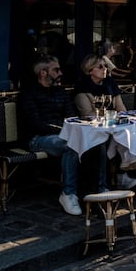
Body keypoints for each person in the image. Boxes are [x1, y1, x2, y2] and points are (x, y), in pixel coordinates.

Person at [18, 55, 106, 216]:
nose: (60, 73)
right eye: (56, 70)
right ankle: (68, 194)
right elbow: (35, 124)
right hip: (37, 138)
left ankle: (100, 190)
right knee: (70, 145)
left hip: (63, 134)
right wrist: (65, 131)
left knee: (98, 142)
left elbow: (71, 116)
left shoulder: (60, 91)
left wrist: (70, 130)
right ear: (43, 73)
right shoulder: (28, 93)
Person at [72, 54, 136, 189]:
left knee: (128, 133)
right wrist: (111, 118)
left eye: (106, 66)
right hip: (91, 130)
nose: (105, 69)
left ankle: (121, 175)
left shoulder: (110, 83)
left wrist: (118, 118)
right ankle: (108, 181)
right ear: (90, 70)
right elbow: (87, 114)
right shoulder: (82, 87)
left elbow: (121, 108)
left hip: (111, 125)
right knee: (107, 141)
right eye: (100, 66)